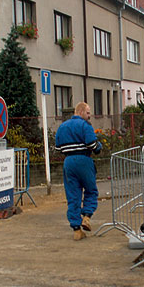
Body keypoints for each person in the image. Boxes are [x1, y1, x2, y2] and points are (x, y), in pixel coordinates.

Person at [55, 102, 102, 241]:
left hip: (68, 162)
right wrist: (99, 146)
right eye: (88, 113)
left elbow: (58, 148)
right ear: (81, 112)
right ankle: (87, 216)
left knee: (73, 195)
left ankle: (76, 229)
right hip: (84, 160)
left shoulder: (62, 127)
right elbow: (92, 145)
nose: (89, 116)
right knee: (91, 190)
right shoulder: (85, 126)